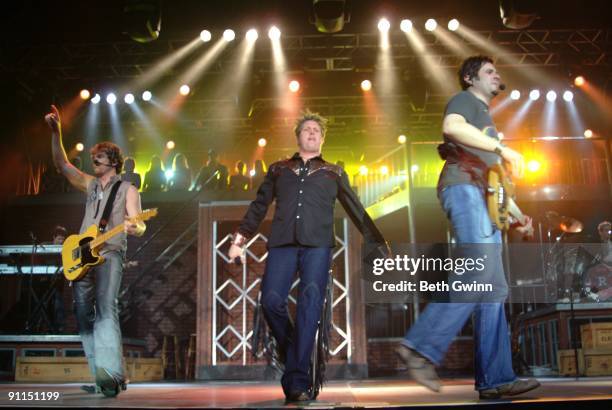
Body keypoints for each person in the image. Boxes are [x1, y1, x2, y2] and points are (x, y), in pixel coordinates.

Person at [394, 56, 540, 400]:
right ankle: (419, 347)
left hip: (481, 193)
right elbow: (452, 127)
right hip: (463, 189)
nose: (496, 75)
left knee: (494, 292)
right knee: (476, 274)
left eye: (496, 71)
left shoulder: (487, 122)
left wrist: (515, 213)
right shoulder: (465, 101)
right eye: (489, 71)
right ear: (470, 78)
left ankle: (496, 379)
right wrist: (503, 148)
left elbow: (492, 179)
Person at [228, 111, 388, 402]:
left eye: (317, 130)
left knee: (309, 307)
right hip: (282, 244)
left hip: (318, 247)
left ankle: (297, 381)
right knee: (271, 301)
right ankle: (294, 351)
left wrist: (376, 239)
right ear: (298, 136)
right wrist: (239, 240)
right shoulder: (278, 169)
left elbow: (355, 207)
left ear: (322, 138)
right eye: (307, 129)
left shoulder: (333, 172)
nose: (312, 133)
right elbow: (258, 206)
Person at [45, 105, 146, 397]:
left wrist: (134, 228)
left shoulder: (128, 189)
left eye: (98, 157)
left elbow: (139, 224)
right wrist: (57, 132)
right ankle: (100, 375)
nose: (94, 161)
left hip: (111, 253)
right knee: (82, 316)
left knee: (105, 310)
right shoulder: (90, 185)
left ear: (113, 160)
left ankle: (111, 374)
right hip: (82, 256)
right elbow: (62, 165)